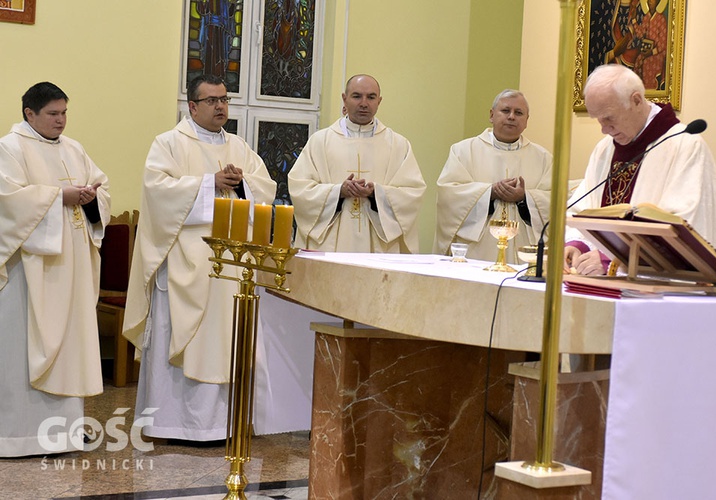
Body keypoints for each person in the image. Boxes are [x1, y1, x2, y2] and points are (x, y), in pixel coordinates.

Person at [123, 74, 276, 441]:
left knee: (227, 339)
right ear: (192, 106)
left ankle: (223, 424)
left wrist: (241, 185)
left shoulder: (239, 147)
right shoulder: (169, 144)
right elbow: (157, 192)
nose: (220, 106)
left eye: (224, 99)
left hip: (233, 261)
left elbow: (265, 189)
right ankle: (173, 423)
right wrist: (210, 183)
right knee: (183, 337)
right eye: (211, 100)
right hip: (184, 262)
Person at [0, 82, 111, 456]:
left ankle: (63, 433)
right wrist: (57, 197)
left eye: (64, 112)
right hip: (30, 273)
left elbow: (101, 187)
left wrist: (92, 199)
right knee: (22, 345)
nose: (60, 120)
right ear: (29, 114)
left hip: (72, 266)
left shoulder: (74, 148)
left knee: (70, 343)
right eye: (52, 113)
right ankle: (16, 436)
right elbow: (7, 203)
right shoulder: (9, 148)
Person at [564, 64, 716, 275]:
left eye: (609, 118)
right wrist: (577, 245)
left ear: (636, 100)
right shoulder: (605, 149)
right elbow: (582, 209)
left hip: (667, 288)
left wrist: (614, 260)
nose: (604, 129)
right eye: (598, 120)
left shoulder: (684, 145)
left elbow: (681, 226)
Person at [288, 74, 426, 253]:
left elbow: (412, 193)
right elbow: (300, 189)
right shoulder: (320, 141)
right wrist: (338, 191)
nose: (364, 103)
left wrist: (376, 193)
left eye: (371, 97)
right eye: (356, 96)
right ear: (344, 99)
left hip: (379, 244)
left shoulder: (398, 145)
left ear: (379, 101)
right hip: (331, 243)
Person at [433, 90, 552, 263]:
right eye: (505, 111)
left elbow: (555, 202)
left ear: (526, 121)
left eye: (518, 113)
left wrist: (525, 198)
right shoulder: (463, 151)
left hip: (523, 250)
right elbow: (448, 195)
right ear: (491, 115)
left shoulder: (543, 158)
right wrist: (489, 192)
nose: (512, 117)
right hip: (477, 248)